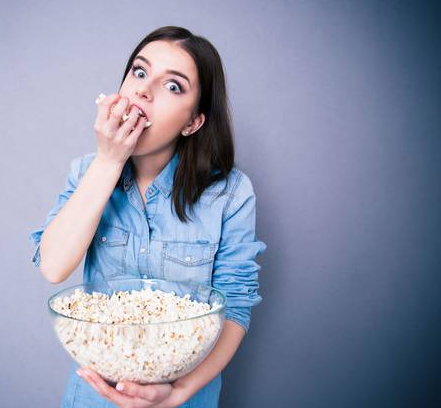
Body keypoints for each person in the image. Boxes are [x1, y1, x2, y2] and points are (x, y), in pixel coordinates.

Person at [29, 26, 267, 408]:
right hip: (96, 397)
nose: (143, 90)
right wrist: (109, 160)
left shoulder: (230, 194)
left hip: (187, 397)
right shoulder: (87, 171)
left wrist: (179, 391)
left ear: (193, 122)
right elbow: (54, 267)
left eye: (172, 86)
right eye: (139, 73)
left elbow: (235, 306)